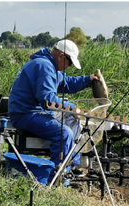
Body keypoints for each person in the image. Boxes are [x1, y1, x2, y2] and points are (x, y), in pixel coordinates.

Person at [8, 39, 99, 180]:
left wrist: (88, 80)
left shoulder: (49, 64)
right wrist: (72, 108)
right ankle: (57, 176)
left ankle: (71, 166)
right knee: (64, 133)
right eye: (69, 63)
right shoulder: (44, 66)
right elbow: (47, 99)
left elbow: (66, 83)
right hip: (25, 114)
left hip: (35, 111)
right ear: (62, 56)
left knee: (73, 121)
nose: (68, 67)